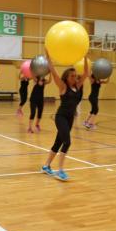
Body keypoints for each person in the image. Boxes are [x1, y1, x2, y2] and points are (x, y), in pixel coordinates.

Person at [42, 53, 88, 181]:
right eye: (72, 76)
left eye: (75, 76)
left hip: (70, 118)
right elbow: (53, 71)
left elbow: (86, 72)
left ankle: (46, 166)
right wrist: (48, 58)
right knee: (67, 142)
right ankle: (60, 170)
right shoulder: (63, 86)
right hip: (61, 117)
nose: (75, 78)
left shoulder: (77, 87)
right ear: (67, 78)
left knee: (58, 142)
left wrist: (84, 56)